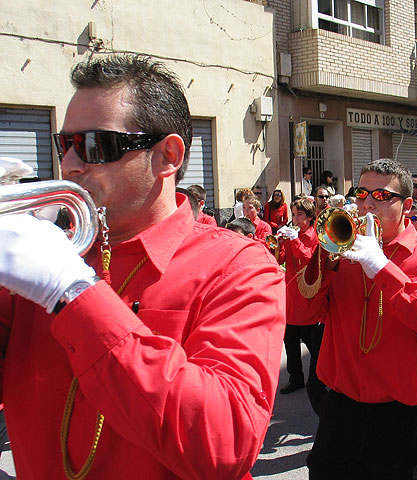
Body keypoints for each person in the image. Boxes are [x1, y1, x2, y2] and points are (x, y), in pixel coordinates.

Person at [0, 55, 286, 480]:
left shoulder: (238, 266)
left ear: (167, 156)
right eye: (65, 144)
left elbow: (224, 444)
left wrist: (72, 292)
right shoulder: (43, 256)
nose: (70, 164)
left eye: (94, 145)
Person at [301, 159, 417, 479]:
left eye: (381, 196)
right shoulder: (341, 247)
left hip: (406, 416)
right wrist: (323, 260)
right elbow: (303, 313)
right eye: (362, 194)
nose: (367, 204)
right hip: (342, 410)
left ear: (407, 205)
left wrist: (382, 268)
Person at [273, 198, 327, 411]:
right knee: (291, 343)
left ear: (310, 217)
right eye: (293, 215)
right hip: (292, 297)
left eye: (300, 215)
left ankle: (322, 376)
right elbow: (280, 260)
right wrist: (278, 244)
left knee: (313, 344)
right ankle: (295, 378)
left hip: (309, 299)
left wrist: (295, 241)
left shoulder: (316, 237)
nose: (295, 219)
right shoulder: (292, 234)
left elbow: (310, 261)